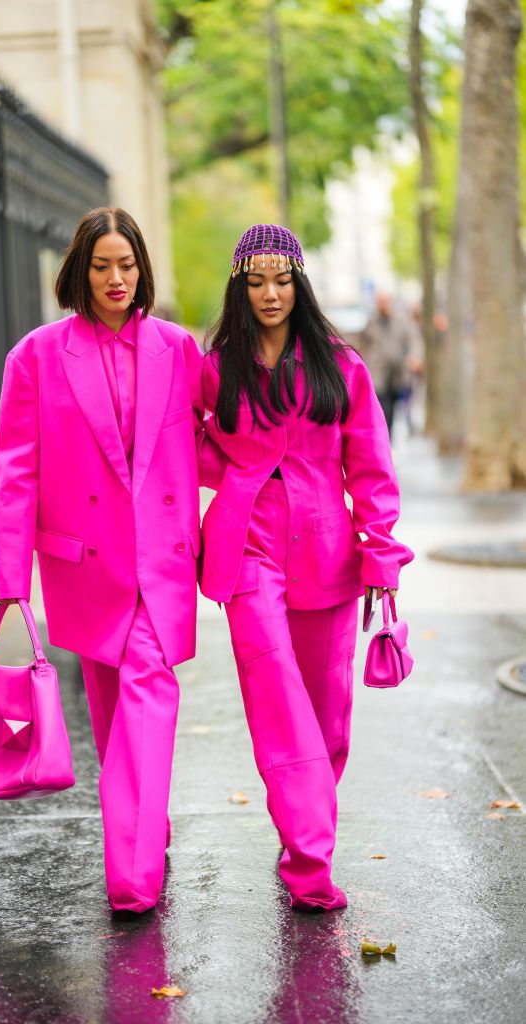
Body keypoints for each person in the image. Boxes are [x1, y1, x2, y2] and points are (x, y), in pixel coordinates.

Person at [0, 207, 214, 914]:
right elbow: (15, 469)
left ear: (142, 268)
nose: (117, 279)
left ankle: (132, 871)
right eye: (101, 265)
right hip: (83, 564)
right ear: (78, 272)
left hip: (163, 559)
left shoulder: (178, 349)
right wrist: (8, 579)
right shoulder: (35, 355)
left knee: (149, 690)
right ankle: (147, 825)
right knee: (115, 708)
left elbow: (218, 438)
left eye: (127, 264)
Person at [199, 224, 413, 912]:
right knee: (280, 708)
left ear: (299, 284)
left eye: (281, 280)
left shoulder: (340, 366)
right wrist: (236, 470)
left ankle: (299, 836)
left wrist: (380, 552)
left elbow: (371, 469)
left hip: (327, 552)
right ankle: (311, 865)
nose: (269, 293)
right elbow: (186, 448)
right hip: (247, 552)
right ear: (239, 286)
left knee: (327, 724)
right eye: (256, 281)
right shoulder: (215, 367)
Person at [357, 291, 415, 436]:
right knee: (383, 406)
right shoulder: (371, 322)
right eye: (379, 301)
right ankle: (384, 436)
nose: (382, 305)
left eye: (384, 301)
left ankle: (388, 435)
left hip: (397, 373)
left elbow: (413, 341)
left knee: (394, 406)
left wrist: (413, 357)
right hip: (378, 372)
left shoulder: (402, 322)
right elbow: (362, 343)